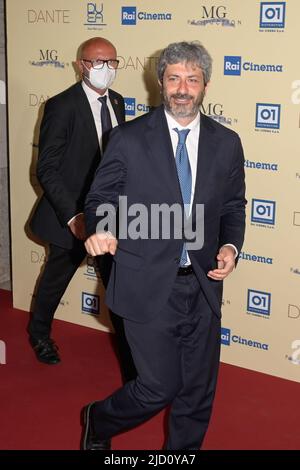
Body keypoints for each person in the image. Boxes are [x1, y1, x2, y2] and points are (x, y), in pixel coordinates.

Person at [82, 41, 246, 450]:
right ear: (160, 83)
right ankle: (98, 420)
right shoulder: (129, 138)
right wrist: (103, 227)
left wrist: (230, 246)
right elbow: (100, 198)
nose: (182, 88)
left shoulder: (226, 143)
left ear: (206, 84)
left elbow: (233, 206)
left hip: (203, 285)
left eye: (192, 79)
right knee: (158, 387)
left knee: (197, 391)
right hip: (145, 281)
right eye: (174, 78)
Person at [28, 37, 136, 382]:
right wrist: (74, 216)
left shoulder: (118, 102)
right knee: (55, 279)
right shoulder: (62, 105)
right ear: (81, 65)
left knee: (117, 281)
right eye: (97, 62)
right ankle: (39, 334)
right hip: (71, 215)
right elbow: (47, 168)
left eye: (112, 62)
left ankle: (132, 348)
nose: (105, 69)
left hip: (109, 214)